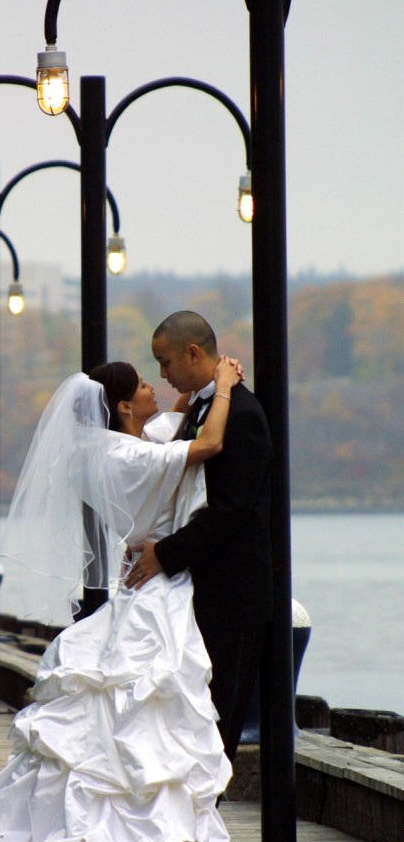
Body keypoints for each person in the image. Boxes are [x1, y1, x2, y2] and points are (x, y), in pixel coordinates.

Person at [0, 356, 242, 842]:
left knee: (128, 698)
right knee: (147, 695)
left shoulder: (105, 447)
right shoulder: (131, 456)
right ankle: (142, 812)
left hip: (140, 569)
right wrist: (227, 383)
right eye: (146, 385)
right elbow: (209, 442)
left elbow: (181, 413)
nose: (155, 389)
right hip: (157, 575)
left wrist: (205, 381)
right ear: (124, 406)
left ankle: (131, 798)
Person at [126, 311, 273, 763]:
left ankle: (206, 822)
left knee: (217, 726)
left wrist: (163, 555)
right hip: (201, 592)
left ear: (193, 353)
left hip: (234, 597)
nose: (162, 375)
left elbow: (230, 512)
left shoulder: (241, 414)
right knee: (193, 721)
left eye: (165, 363)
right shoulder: (204, 409)